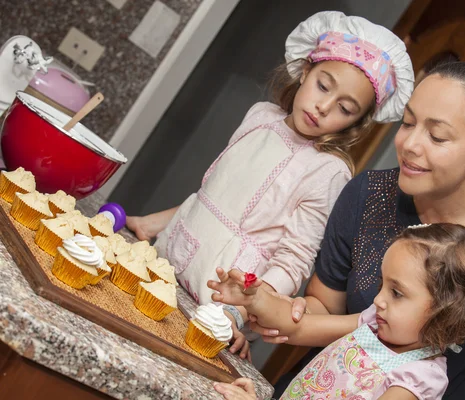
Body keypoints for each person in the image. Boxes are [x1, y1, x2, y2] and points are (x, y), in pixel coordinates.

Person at [252, 61, 465, 399]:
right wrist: (272, 309)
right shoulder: (367, 196)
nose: (410, 144)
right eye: (408, 122)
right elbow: (324, 310)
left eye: (437, 136)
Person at [126, 10, 414, 359]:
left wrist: (241, 309)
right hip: (164, 262)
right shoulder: (261, 116)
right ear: (305, 70)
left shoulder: (329, 170)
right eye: (323, 85)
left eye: (345, 108)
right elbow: (212, 196)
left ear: (356, 122)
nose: (323, 107)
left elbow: (294, 260)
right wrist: (151, 223)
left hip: (216, 304)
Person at [211, 223, 465, 399]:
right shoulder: (373, 324)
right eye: (383, 285)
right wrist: (254, 298)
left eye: (397, 293)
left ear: (445, 312)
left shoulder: (418, 379)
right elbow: (298, 327)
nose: (378, 300)